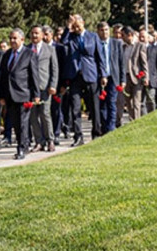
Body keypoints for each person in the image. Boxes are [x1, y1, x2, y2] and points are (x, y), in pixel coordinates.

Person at [61, 14, 106, 146]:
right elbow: (63, 42)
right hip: (75, 76)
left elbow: (100, 57)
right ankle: (78, 136)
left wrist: (103, 75)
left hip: (91, 74)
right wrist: (68, 27)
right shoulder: (71, 37)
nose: (76, 27)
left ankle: (96, 133)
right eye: (74, 26)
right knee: (75, 107)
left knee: (94, 106)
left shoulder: (93, 37)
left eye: (78, 24)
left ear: (83, 23)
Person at [0, 28, 40, 160]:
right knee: (16, 123)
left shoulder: (29, 54)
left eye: (15, 38)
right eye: (11, 38)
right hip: (10, 95)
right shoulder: (6, 55)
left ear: (22, 39)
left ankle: (21, 149)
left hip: (24, 93)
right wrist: (2, 96)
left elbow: (34, 75)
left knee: (23, 122)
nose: (12, 41)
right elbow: (3, 76)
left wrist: (36, 94)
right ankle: (24, 144)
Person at [28, 25, 58, 152]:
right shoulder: (26, 49)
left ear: (42, 35)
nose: (34, 36)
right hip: (30, 89)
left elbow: (54, 69)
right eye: (32, 33)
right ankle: (39, 141)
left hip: (45, 87)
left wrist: (53, 85)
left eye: (37, 33)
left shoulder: (50, 49)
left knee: (45, 114)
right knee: (33, 116)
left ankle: (50, 140)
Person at [96, 21, 124, 134]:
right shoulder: (95, 43)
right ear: (98, 31)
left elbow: (121, 62)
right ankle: (104, 127)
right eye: (102, 30)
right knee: (102, 104)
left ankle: (111, 128)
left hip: (113, 77)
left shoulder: (116, 43)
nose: (104, 32)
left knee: (112, 102)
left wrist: (122, 80)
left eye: (106, 30)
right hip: (99, 77)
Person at [122, 26, 148, 121]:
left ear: (130, 35)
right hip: (125, 78)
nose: (122, 37)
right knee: (128, 102)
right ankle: (132, 119)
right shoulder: (123, 47)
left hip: (137, 77)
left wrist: (145, 77)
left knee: (137, 101)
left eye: (123, 35)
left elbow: (144, 63)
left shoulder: (140, 46)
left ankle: (137, 121)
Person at [142, 30, 157, 114]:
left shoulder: (155, 49)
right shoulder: (136, 48)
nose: (141, 38)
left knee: (151, 100)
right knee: (141, 102)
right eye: (140, 37)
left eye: (143, 37)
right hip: (139, 79)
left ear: (148, 38)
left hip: (152, 79)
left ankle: (151, 115)